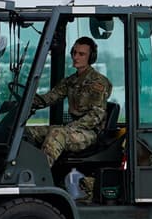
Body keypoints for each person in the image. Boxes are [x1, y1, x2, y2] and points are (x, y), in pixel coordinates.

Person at [23, 36, 112, 191]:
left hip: (89, 133)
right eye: (75, 53)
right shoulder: (71, 81)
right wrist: (29, 101)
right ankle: (23, 170)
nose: (76, 57)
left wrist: (72, 127)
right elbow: (51, 97)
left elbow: (96, 116)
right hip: (72, 130)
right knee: (28, 132)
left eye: (81, 54)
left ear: (90, 57)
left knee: (58, 133)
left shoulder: (99, 83)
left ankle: (37, 179)